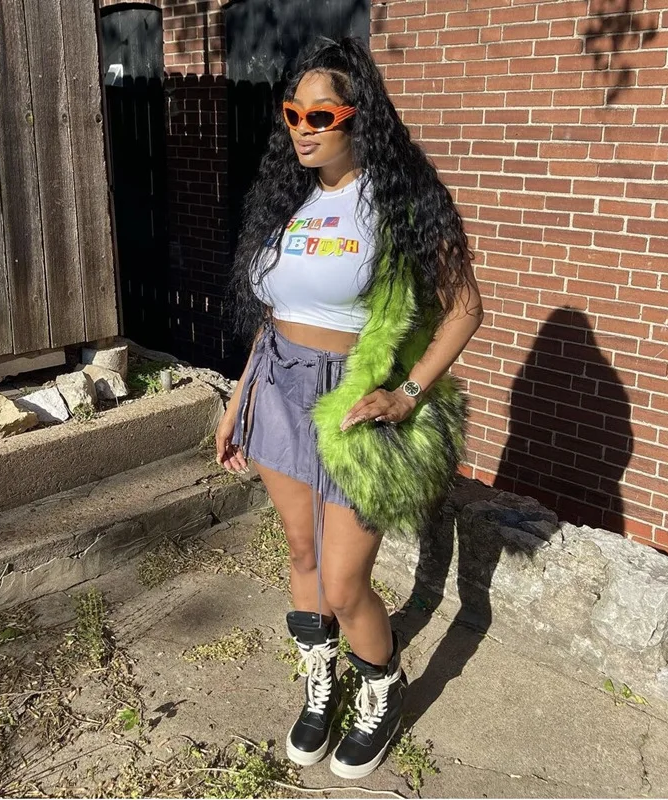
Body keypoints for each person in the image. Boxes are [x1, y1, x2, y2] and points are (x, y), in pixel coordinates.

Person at [215, 36, 483, 780]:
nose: (303, 129)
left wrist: (407, 392)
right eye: (293, 114)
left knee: (343, 581)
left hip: (355, 405)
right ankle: (321, 682)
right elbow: (274, 316)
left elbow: (465, 309)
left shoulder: (402, 203)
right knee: (301, 554)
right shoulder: (289, 200)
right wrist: (238, 400)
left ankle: (381, 686)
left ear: (359, 117)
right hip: (277, 388)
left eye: (321, 116)